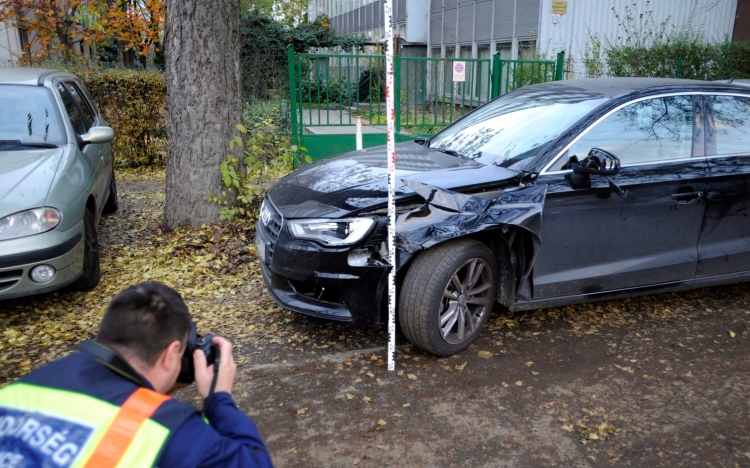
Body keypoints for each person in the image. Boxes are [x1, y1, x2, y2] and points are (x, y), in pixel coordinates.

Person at [0, 282, 273, 468]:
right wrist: (219, 399)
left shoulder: (21, 390)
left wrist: (159, 386)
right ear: (171, 354)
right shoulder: (164, 428)